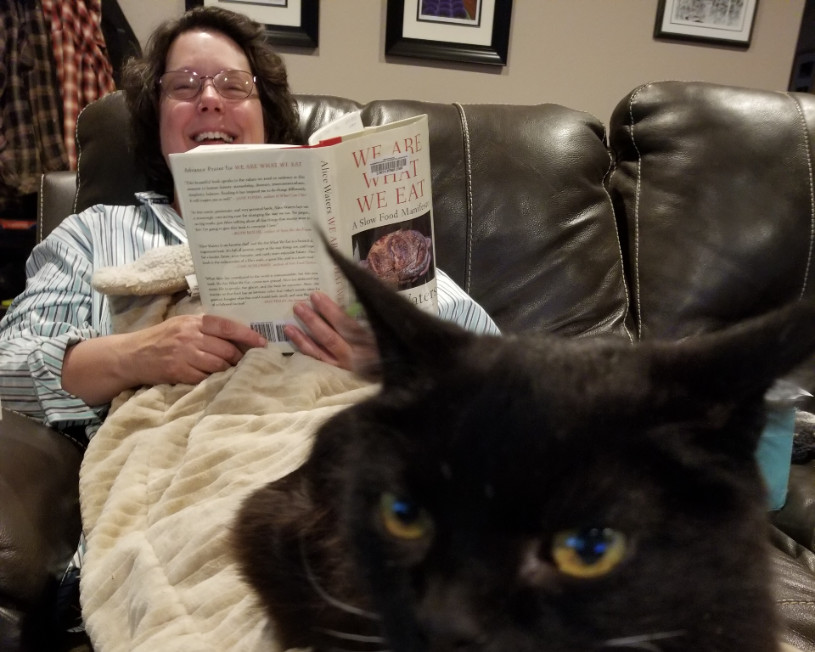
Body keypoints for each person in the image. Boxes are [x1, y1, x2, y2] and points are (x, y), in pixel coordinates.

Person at [0, 6, 499, 442]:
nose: (210, 100)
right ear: (156, 120)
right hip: (175, 475)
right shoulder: (92, 233)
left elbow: (489, 359)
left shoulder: (350, 229)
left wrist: (385, 357)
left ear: (268, 118)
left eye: (234, 86)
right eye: (184, 86)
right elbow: (7, 367)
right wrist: (133, 354)